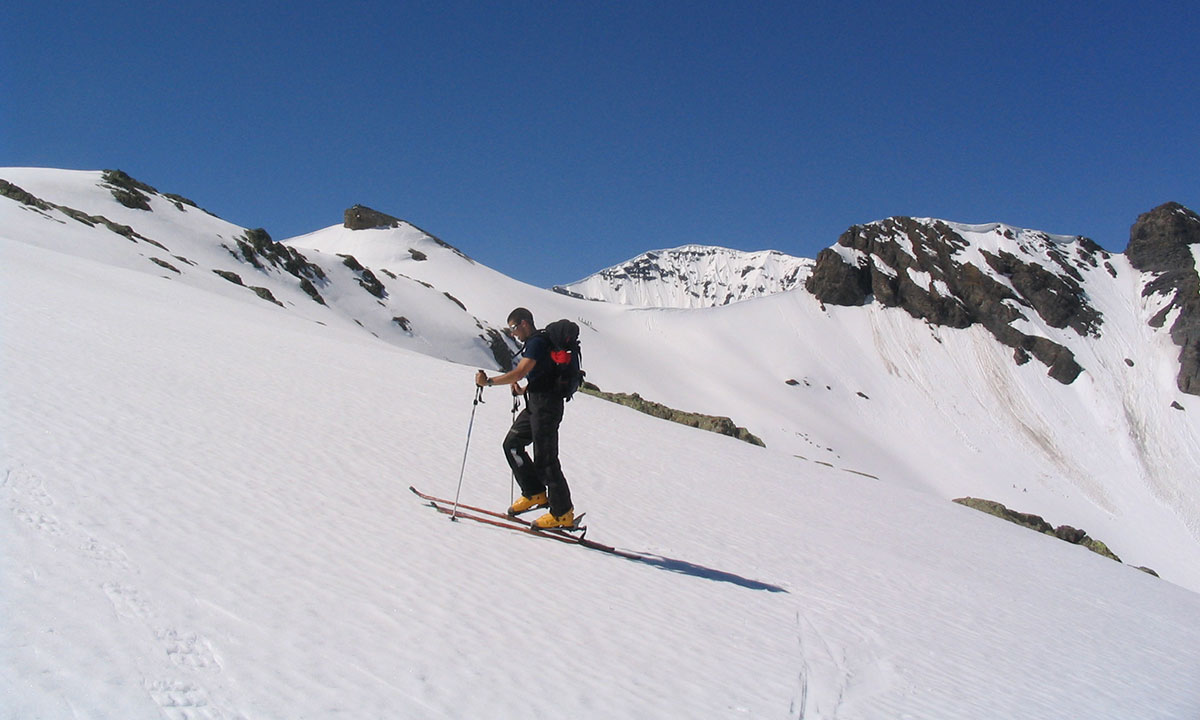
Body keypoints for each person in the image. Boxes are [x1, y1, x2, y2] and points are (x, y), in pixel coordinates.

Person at [474, 307, 575, 529]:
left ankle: (562, 513)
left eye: (513, 328)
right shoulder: (535, 343)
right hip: (536, 404)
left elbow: (520, 371)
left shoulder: (537, 343)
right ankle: (535, 493)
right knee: (512, 444)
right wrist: (523, 391)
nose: (513, 334)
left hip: (547, 407)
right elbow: (542, 373)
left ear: (524, 323)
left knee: (546, 460)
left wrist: (488, 382)